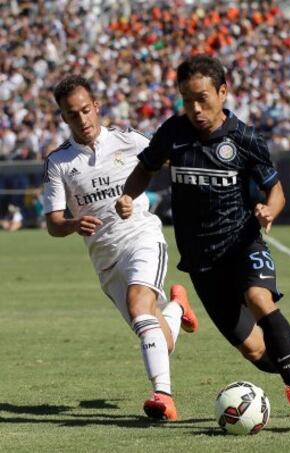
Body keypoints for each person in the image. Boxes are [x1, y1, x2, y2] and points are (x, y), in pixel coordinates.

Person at [116, 54, 290, 423]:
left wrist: (269, 211)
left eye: (203, 98)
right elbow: (144, 169)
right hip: (201, 260)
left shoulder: (244, 138)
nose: (195, 108)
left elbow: (275, 190)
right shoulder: (173, 133)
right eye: (187, 99)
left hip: (243, 243)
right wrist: (129, 195)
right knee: (255, 351)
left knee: (259, 298)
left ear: (223, 91)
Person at [43, 75, 198, 421]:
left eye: (86, 110)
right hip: (106, 259)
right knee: (161, 338)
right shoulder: (59, 163)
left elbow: (174, 161)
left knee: (138, 302)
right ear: (64, 118)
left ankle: (163, 396)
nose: (82, 119)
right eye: (72, 114)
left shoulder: (129, 140)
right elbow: (52, 222)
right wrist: (71, 224)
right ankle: (176, 307)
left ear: (96, 107)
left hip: (141, 237)